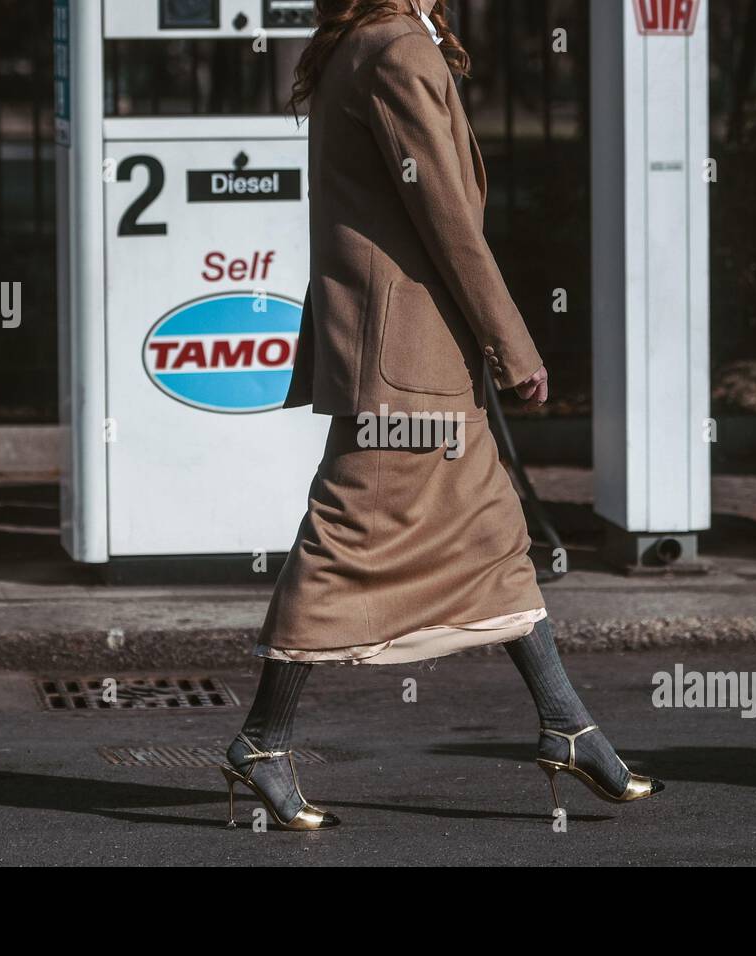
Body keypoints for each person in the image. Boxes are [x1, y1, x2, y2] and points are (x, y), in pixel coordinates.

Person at [220, 0, 663, 830]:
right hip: (405, 359)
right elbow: (450, 220)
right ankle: (263, 742)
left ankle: (568, 725)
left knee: (493, 534)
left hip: (409, 350)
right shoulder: (395, 49)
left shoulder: (375, 41)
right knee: (348, 533)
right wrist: (514, 341)